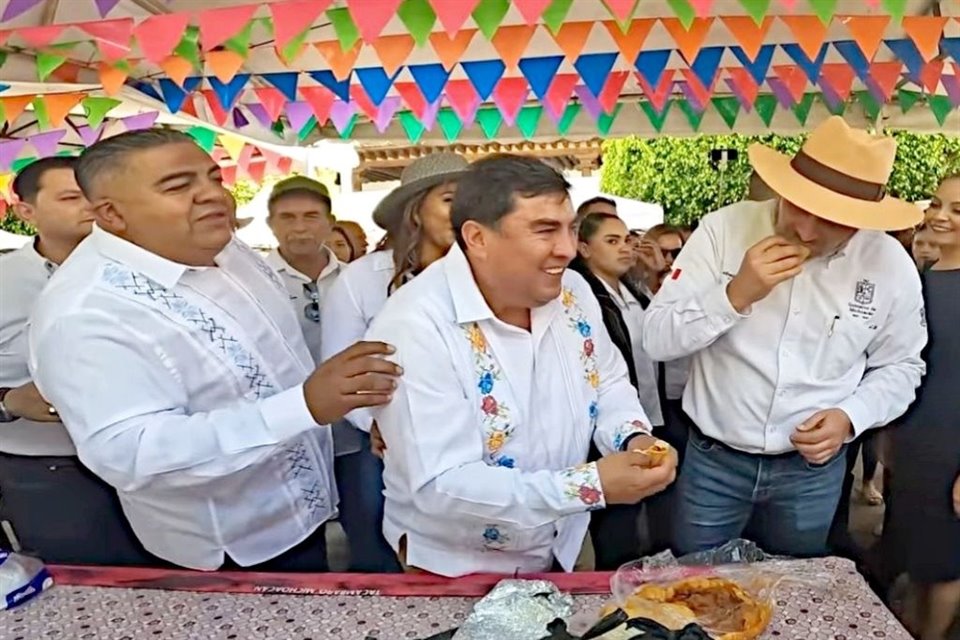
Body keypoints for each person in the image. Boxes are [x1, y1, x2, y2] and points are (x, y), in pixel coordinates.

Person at [28, 129, 401, 571]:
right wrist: (302, 407)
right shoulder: (87, 313)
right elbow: (134, 454)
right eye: (179, 186)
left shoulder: (226, 248)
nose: (213, 196)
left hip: (304, 508)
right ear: (111, 214)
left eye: (212, 178)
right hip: (230, 547)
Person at [366, 155, 677, 577]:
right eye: (545, 230)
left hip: (563, 542)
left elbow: (607, 380)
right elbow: (440, 486)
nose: (567, 249)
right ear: (477, 237)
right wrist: (590, 487)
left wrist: (633, 439)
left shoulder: (572, 289)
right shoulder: (412, 326)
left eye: (569, 228)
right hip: (459, 565)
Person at [642, 116, 926, 558]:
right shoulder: (724, 230)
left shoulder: (889, 264)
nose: (807, 231)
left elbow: (903, 365)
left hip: (811, 473)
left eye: (832, 220)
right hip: (713, 461)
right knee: (696, 586)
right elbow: (657, 338)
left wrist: (851, 415)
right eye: (796, 206)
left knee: (794, 587)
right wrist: (735, 295)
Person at [0, 158, 153, 565]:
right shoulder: (3, 280)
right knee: (81, 585)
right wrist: (9, 401)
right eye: (70, 197)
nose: (88, 207)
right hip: (47, 469)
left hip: (150, 459)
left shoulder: (148, 273)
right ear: (25, 212)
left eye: (94, 196)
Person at [320, 152, 467, 573]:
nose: (464, 213)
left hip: (471, 441)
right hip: (380, 445)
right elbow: (341, 369)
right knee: (384, 555)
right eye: (450, 199)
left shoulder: (488, 276)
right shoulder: (363, 278)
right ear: (415, 210)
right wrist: (379, 424)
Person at [886, 174, 960, 640]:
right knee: (916, 559)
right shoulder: (919, 280)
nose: (940, 216)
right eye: (936, 203)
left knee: (948, 564)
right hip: (915, 446)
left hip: (954, 449)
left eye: (958, 210)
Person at [569, 210, 664, 568]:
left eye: (627, 239)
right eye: (611, 241)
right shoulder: (582, 296)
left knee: (646, 509)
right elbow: (604, 374)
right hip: (605, 427)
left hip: (643, 413)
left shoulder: (632, 289)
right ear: (584, 248)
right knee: (617, 522)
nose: (625, 248)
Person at [265, 176, 343, 365]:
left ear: (330, 222)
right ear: (270, 224)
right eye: (287, 217)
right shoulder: (254, 284)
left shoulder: (355, 279)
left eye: (311, 216)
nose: (299, 228)